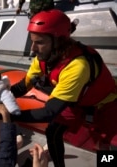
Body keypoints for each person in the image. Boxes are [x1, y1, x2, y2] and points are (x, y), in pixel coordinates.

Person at [10, 9, 117, 167]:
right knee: (53, 132)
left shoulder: (77, 65)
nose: (33, 48)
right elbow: (23, 86)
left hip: (106, 104)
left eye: (39, 42)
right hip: (78, 101)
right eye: (32, 41)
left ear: (58, 41)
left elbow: (49, 112)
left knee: (108, 146)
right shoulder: (44, 57)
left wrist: (7, 115)